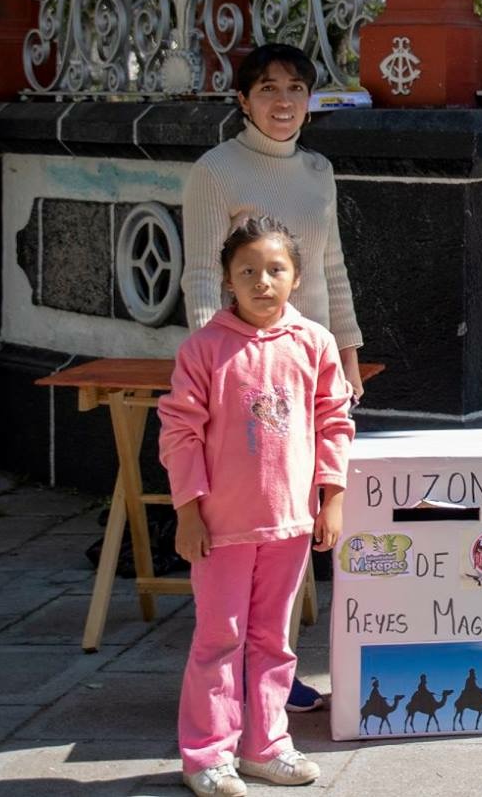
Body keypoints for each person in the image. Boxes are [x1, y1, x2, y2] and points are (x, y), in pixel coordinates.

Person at [181, 43, 363, 715]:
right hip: (241, 372)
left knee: (299, 520)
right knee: (246, 523)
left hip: (307, 364)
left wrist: (346, 352)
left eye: (296, 87)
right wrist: (215, 359)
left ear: (311, 98)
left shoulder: (318, 169)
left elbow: (330, 268)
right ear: (242, 99)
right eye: (267, 88)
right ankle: (230, 681)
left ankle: (276, 676)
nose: (282, 100)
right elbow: (202, 270)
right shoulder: (216, 170)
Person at [159, 217, 353, 795]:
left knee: (273, 640)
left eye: (275, 270)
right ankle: (205, 756)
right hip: (221, 528)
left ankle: (265, 745)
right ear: (226, 280)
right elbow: (179, 433)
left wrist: (332, 499)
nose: (262, 281)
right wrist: (189, 512)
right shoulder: (203, 349)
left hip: (291, 523)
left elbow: (334, 422)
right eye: (248, 271)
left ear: (295, 278)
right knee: (220, 638)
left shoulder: (314, 343)